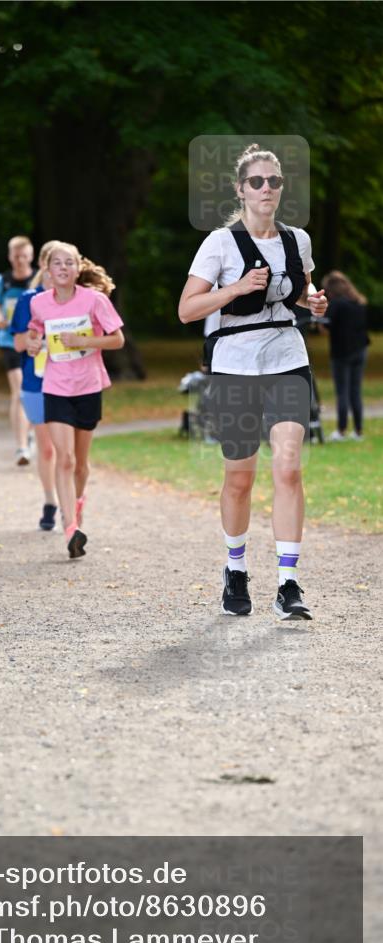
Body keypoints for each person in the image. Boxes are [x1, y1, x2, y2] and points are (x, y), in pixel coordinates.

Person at [178, 142, 327, 621]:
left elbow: (300, 295)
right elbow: (186, 310)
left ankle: (287, 583)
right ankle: (235, 568)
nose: (267, 189)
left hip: (287, 359)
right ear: (241, 189)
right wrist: (236, 289)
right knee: (239, 479)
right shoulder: (219, 243)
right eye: (257, 181)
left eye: (275, 181)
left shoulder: (297, 240)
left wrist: (315, 304)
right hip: (235, 365)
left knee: (288, 469)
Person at [27, 242, 125, 559]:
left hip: (88, 385)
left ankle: (77, 505)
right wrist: (32, 343)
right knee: (64, 458)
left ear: (77, 268)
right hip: (55, 386)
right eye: (58, 263)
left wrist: (85, 341)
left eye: (69, 262)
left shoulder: (94, 300)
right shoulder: (39, 303)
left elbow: (117, 339)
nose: (64, 268)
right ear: (48, 270)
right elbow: (35, 331)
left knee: (80, 464)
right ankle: (71, 526)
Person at [11, 241, 60, 531]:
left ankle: (71, 502)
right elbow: (17, 342)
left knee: (68, 452)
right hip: (36, 382)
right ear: (43, 266)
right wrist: (32, 342)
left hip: (73, 382)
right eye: (53, 263)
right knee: (48, 449)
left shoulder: (81, 298)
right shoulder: (29, 299)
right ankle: (50, 500)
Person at [0, 235, 37, 465]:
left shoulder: (38, 279)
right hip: (9, 340)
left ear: (31, 256)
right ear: (10, 256)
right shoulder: (2, 280)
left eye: (24, 256)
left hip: (34, 341)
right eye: (16, 256)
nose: (20, 260)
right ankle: (21, 448)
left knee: (30, 391)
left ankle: (28, 432)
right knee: (18, 391)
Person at [319, 270, 369, 441]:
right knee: (355, 391)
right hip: (361, 350)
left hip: (342, 353)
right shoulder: (358, 302)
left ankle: (341, 430)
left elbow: (325, 327)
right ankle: (358, 431)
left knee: (342, 392)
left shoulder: (337, 304)